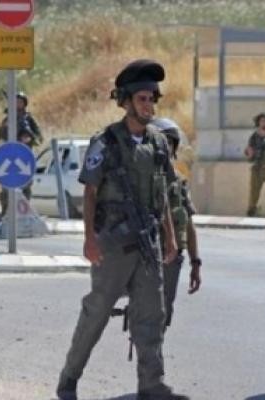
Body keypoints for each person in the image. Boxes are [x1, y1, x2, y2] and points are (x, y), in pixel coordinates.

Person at [56, 59, 188, 400]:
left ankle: (152, 384)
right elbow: (90, 192)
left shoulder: (158, 143)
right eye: (142, 99)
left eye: (153, 99)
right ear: (125, 101)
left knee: (151, 315)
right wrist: (89, 239)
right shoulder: (105, 142)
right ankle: (69, 379)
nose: (149, 105)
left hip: (149, 244)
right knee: (97, 312)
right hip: (113, 244)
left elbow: (164, 194)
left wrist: (170, 238)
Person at [150, 118, 202, 329]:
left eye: (169, 143)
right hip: (145, 252)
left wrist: (195, 263)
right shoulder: (139, 179)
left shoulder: (179, 182)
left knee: (164, 309)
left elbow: (188, 225)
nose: (164, 148)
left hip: (171, 256)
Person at [0, 92, 42, 223]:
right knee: (6, 188)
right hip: (9, 157)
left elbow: (39, 137)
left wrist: (29, 138)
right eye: (15, 101)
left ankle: (24, 212)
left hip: (23, 158)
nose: (17, 104)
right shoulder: (8, 119)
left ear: (24, 104)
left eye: (20, 102)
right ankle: (4, 212)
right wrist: (5, 127)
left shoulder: (29, 119)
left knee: (25, 187)